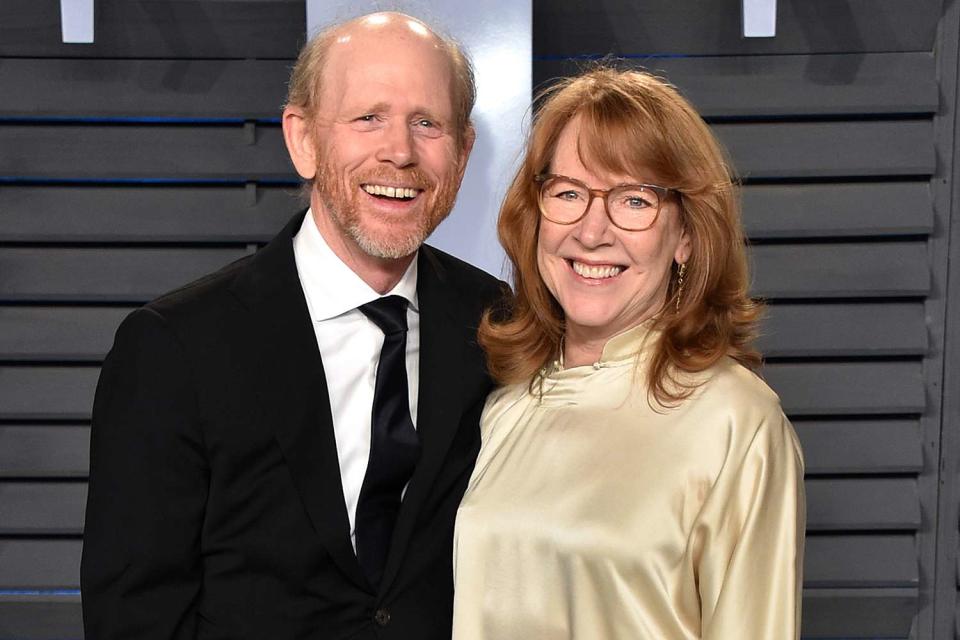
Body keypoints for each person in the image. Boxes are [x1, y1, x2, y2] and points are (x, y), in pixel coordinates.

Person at [81, 12, 503, 639]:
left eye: (427, 123)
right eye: (368, 117)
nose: (400, 151)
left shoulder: (502, 325)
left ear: (463, 152)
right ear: (302, 140)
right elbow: (134, 615)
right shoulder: (175, 346)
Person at [452, 67, 805, 639]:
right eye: (568, 193)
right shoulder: (506, 402)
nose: (593, 232)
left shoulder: (738, 424)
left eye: (634, 200)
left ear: (686, 235)